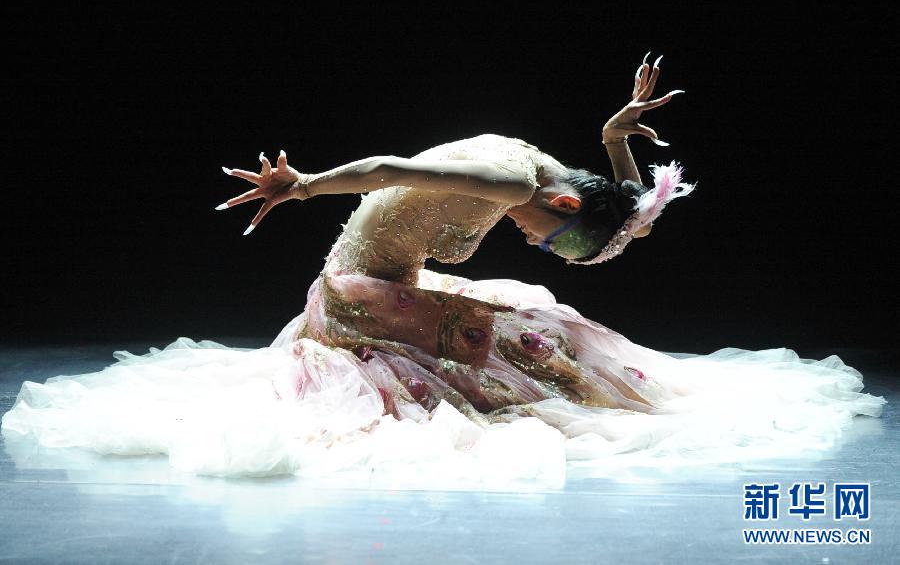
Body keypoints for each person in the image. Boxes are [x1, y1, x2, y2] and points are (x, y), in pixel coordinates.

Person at [1, 54, 886, 480]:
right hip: (360, 299)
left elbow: (611, 225)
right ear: (562, 204)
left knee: (552, 323)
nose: (536, 244)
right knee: (531, 348)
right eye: (547, 238)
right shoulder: (507, 175)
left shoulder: (558, 183)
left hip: (407, 283)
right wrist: (301, 186)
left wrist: (619, 138)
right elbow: (388, 170)